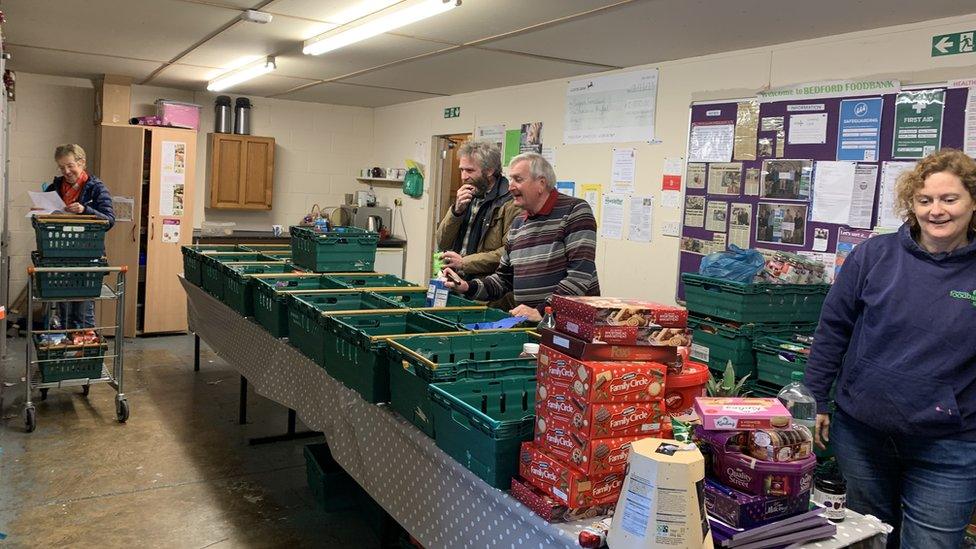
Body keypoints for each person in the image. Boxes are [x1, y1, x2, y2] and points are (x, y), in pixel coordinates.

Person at [804, 148, 976, 548]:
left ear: (972, 202)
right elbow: (833, 329)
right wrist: (816, 400)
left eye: (949, 199)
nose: (936, 211)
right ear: (911, 204)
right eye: (925, 200)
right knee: (866, 537)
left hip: (950, 444)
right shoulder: (875, 255)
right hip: (862, 434)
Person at [444, 152, 599, 322]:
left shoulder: (575, 211)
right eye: (510, 180)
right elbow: (504, 279)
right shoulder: (518, 223)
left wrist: (543, 312)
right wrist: (468, 287)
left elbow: (579, 275)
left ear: (541, 183)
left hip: (572, 326)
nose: (510, 187)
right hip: (531, 324)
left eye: (518, 180)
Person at [435, 140, 521, 309]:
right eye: (461, 170)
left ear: (489, 171)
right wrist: (456, 212)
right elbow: (442, 241)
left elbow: (508, 252)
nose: (463, 176)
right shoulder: (466, 196)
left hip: (488, 294)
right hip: (456, 285)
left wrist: (464, 262)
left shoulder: (510, 202)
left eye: (470, 170)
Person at [45, 144, 115, 329]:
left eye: (69, 166)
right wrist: (41, 214)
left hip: (88, 260)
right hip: (60, 257)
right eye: (61, 167)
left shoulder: (96, 188)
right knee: (65, 314)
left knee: (84, 314)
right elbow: (40, 219)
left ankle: (85, 354)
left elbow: (109, 220)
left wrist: (86, 210)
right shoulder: (55, 187)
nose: (66, 171)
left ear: (81, 162)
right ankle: (66, 354)